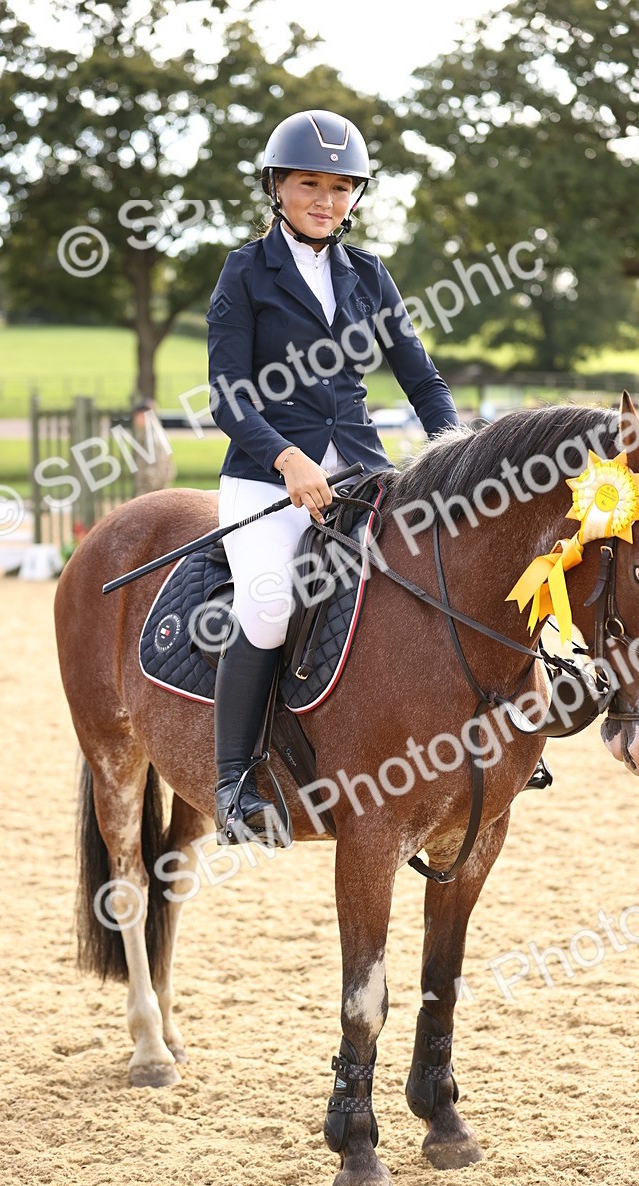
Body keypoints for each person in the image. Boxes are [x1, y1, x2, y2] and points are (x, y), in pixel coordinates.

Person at [206, 108, 459, 847]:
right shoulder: (245, 271)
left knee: (439, 576)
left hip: (360, 470)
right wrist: (286, 460)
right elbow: (228, 393)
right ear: (277, 187)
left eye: (341, 186)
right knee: (270, 602)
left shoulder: (370, 276)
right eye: (309, 183)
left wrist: (454, 453)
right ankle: (234, 781)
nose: (325, 198)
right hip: (264, 477)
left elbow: (423, 378)